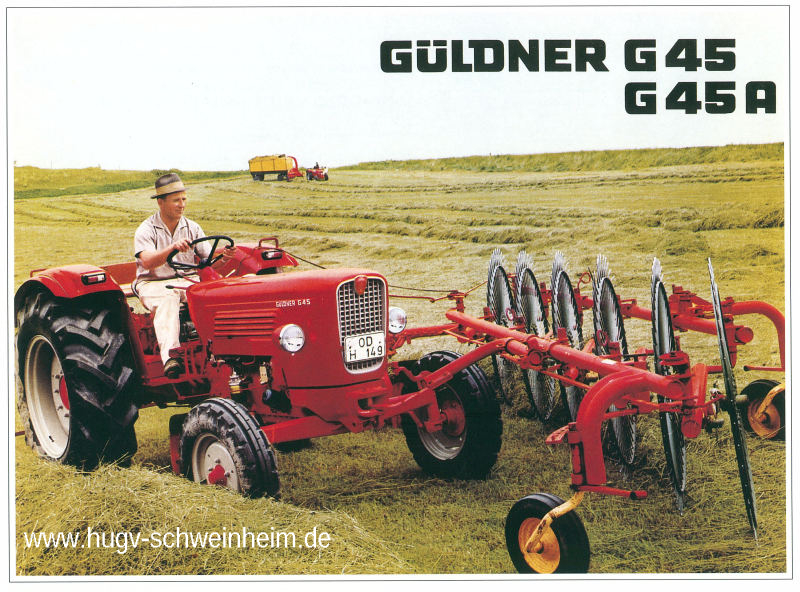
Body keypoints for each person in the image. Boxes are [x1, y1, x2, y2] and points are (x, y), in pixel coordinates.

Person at [133, 173, 235, 378]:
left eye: (184, 199)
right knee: (168, 298)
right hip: (154, 283)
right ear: (161, 202)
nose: (182, 205)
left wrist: (224, 258)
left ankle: (226, 350)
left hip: (187, 280)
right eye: (176, 200)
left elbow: (208, 261)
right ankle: (171, 357)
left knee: (218, 295)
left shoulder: (192, 227)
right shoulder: (146, 229)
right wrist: (171, 248)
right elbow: (148, 261)